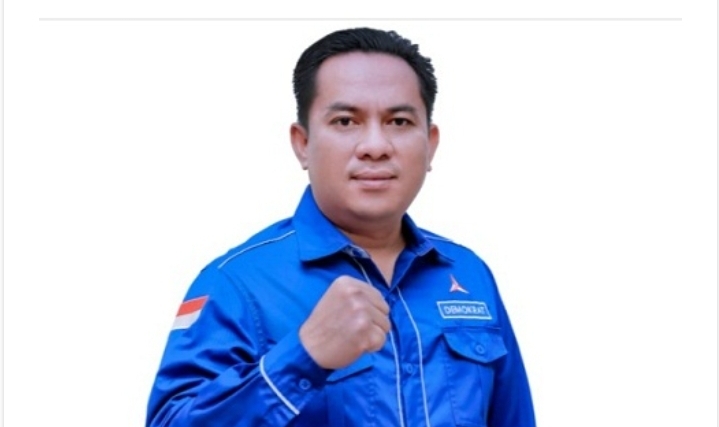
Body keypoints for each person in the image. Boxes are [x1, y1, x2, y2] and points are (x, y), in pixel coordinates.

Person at [146, 27, 535, 427]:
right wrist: (302, 357)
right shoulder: (237, 284)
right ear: (302, 143)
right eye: (346, 121)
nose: (375, 146)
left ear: (430, 143)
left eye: (399, 121)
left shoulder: (469, 273)